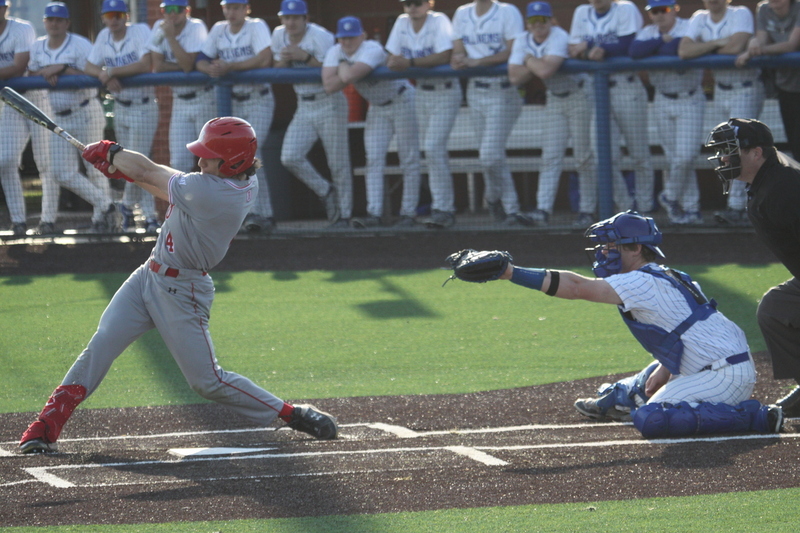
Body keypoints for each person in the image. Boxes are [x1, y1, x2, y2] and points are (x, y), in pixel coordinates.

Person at [18, 116, 338, 454]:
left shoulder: (217, 193)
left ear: (232, 162)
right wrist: (125, 170)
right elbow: (163, 183)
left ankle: (291, 413)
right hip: (148, 276)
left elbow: (151, 172)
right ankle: (46, 426)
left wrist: (113, 152)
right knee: (101, 344)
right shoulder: (227, 182)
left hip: (183, 291)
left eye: (209, 157)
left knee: (208, 382)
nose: (200, 162)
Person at [462, 210, 782, 438]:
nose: (603, 252)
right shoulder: (666, 275)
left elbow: (576, 287)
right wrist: (666, 369)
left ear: (636, 248)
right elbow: (690, 330)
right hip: (714, 360)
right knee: (645, 383)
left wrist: (511, 273)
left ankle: (754, 417)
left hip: (723, 376)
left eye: (610, 246)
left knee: (652, 419)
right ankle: (624, 398)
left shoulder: (641, 281)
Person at [705, 118, 800, 417]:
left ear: (756, 153)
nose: (723, 159)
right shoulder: (769, 179)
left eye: (730, 151)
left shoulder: (784, 188)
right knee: (775, 308)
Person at [322, 16, 421, 228]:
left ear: (362, 36)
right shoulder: (335, 50)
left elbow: (349, 77)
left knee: (409, 158)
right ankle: (374, 213)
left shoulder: (372, 48)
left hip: (402, 100)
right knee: (373, 159)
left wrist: (342, 66)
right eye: (343, 37)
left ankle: (408, 213)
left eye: (352, 37)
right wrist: (344, 70)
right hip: (377, 107)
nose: (347, 42)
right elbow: (329, 86)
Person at [27, 2, 117, 234]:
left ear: (67, 23)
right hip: (58, 116)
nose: (54, 24)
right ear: (45, 22)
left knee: (95, 167)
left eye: (59, 20)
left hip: (85, 111)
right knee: (60, 172)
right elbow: (31, 72)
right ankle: (107, 205)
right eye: (50, 19)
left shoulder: (80, 44)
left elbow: (93, 74)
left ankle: (102, 220)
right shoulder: (38, 46)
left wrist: (63, 69)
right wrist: (47, 71)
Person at [507, 1, 595, 227]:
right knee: (550, 156)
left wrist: (528, 59)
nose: (539, 25)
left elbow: (545, 71)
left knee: (583, 157)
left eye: (543, 20)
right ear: (528, 23)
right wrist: (537, 64)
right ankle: (543, 209)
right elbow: (514, 77)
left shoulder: (559, 36)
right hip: (555, 98)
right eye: (534, 20)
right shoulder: (522, 39)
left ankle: (587, 210)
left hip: (580, 95)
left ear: (551, 21)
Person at [679, 0, 763, 227]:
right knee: (727, 149)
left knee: (740, 147)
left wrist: (703, 48)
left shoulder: (740, 13)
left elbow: (735, 48)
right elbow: (684, 51)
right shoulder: (699, 17)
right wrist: (718, 43)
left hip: (745, 87)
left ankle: (738, 207)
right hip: (720, 90)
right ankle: (740, 206)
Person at [451, 0, 533, 227]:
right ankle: (498, 200)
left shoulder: (507, 12)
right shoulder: (462, 13)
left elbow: (513, 50)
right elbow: (458, 49)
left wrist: (477, 61)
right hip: (475, 90)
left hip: (503, 89)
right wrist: (458, 59)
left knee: (489, 155)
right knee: (491, 156)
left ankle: (507, 205)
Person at [197, 0, 276, 235]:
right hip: (234, 103)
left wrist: (230, 67)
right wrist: (210, 69)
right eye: (228, 7)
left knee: (252, 153)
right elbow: (200, 59)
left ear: (246, 9)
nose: (231, 12)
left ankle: (264, 213)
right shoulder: (218, 29)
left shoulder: (256, 26)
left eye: (236, 7)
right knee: (232, 158)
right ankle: (249, 212)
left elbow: (264, 58)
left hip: (258, 98)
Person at [568, 0, 653, 219]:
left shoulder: (625, 8)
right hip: (597, 90)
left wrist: (594, 47)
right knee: (601, 156)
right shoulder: (581, 12)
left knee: (639, 155)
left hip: (626, 87)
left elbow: (629, 45)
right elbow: (573, 49)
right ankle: (625, 209)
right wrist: (589, 52)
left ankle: (645, 208)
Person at [272, 0, 351, 228]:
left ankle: (344, 216)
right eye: (287, 18)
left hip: (329, 102)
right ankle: (325, 190)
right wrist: (285, 60)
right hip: (304, 104)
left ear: (305, 19)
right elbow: (276, 70)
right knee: (290, 156)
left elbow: (334, 70)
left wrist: (304, 57)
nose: (291, 22)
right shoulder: (278, 35)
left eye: (296, 17)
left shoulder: (321, 36)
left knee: (338, 163)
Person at [84, 0, 160, 234]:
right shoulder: (103, 36)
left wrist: (112, 72)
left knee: (138, 163)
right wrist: (103, 75)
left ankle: (129, 206)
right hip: (121, 106)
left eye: (118, 15)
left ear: (126, 16)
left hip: (143, 105)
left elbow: (145, 64)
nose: (114, 20)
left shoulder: (140, 31)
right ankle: (147, 215)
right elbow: (89, 66)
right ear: (103, 18)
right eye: (109, 15)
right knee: (129, 163)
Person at [386, 0, 459, 230]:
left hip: (446, 90)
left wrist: (409, 62)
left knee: (433, 148)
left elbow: (444, 55)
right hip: (421, 92)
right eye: (407, 3)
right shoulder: (401, 22)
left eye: (417, 3)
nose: (412, 7)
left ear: (429, 4)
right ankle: (441, 208)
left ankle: (444, 209)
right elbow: (392, 57)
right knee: (432, 152)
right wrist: (397, 62)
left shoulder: (438, 20)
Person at [630, 0, 705, 226]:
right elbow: (635, 51)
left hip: (689, 97)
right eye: (654, 11)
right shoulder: (648, 31)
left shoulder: (689, 26)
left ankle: (669, 195)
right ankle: (690, 209)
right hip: (662, 98)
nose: (659, 15)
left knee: (686, 156)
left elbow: (680, 51)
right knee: (675, 159)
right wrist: (662, 42)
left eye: (664, 10)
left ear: (674, 9)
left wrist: (657, 49)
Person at [147, 1, 216, 216]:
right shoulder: (159, 26)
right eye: (166, 10)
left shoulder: (196, 26)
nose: (171, 14)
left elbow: (188, 65)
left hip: (204, 98)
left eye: (176, 10)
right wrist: (183, 65)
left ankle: (214, 209)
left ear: (186, 11)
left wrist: (171, 38)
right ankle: (184, 211)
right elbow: (158, 66)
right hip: (179, 100)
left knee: (211, 160)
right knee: (178, 161)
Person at [0, 0, 47, 237]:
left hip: (36, 97)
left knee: (46, 163)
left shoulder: (22, 28)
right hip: (11, 100)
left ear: (6, 8)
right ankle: (19, 221)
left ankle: (48, 220)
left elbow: (19, 67)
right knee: (5, 160)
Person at [735, 0, 800, 161]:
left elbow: (791, 45)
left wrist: (755, 52)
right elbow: (761, 39)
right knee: (795, 142)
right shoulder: (764, 9)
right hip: (786, 85)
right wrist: (754, 43)